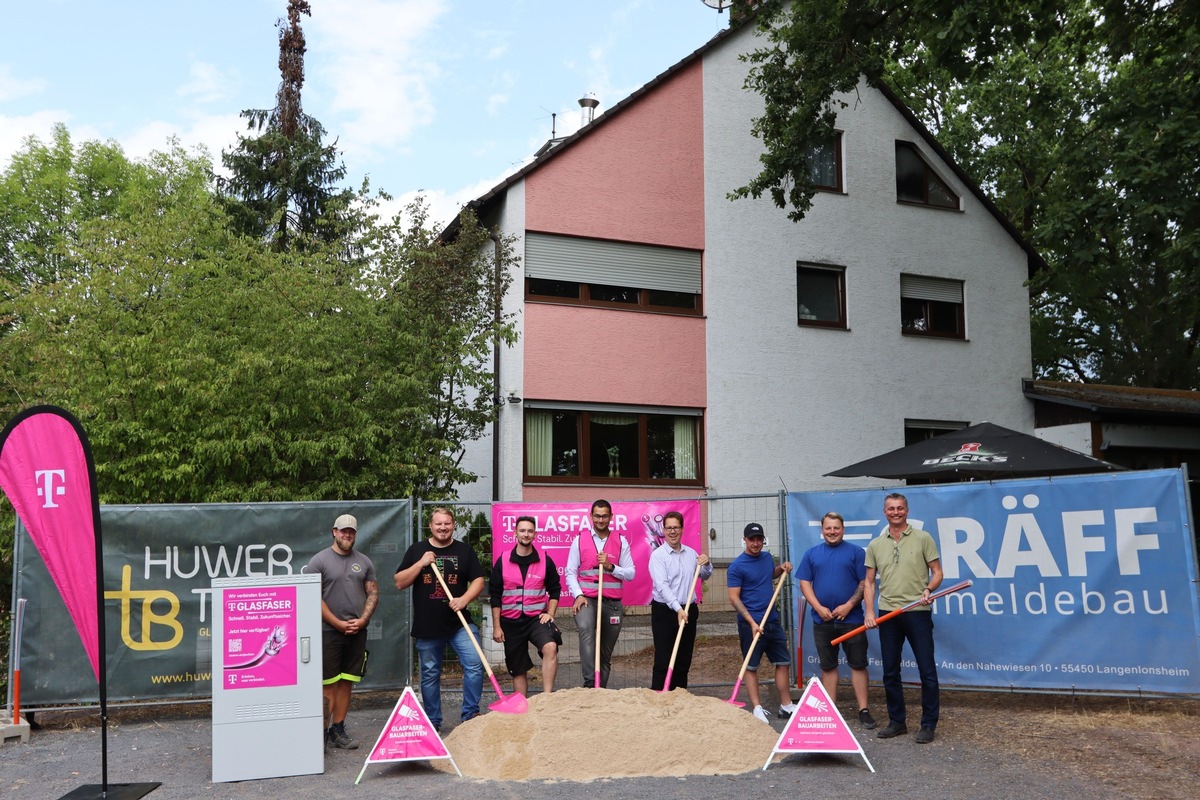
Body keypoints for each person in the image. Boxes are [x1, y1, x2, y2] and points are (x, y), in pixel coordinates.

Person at [394, 507, 486, 731]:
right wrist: (420, 563)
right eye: (438, 524)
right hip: (428, 625)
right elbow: (399, 581)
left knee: (475, 664)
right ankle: (433, 720)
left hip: (459, 623)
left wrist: (464, 599)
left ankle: (470, 714)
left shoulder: (464, 550)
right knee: (430, 674)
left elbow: (478, 580)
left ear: (453, 525)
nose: (443, 527)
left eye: (447, 523)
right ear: (430, 526)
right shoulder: (417, 550)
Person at [864, 492, 944, 743]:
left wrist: (929, 589)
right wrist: (869, 611)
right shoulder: (876, 544)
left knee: (927, 670)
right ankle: (897, 722)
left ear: (906, 511)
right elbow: (868, 582)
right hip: (888, 613)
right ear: (884, 512)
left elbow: (938, 572)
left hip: (917, 611)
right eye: (891, 508)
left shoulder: (923, 538)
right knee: (890, 671)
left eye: (900, 508)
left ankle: (928, 724)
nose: (895, 512)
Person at [796, 511, 877, 729]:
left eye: (836, 528)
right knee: (828, 666)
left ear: (843, 529)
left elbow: (864, 583)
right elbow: (804, 583)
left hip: (852, 620)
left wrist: (849, 605)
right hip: (822, 621)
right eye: (828, 528)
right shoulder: (812, 554)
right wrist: (818, 607)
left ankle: (863, 710)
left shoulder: (856, 553)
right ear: (822, 530)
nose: (832, 532)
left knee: (858, 664)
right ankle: (830, 711)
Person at [305, 513, 378, 750]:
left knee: (347, 682)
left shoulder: (365, 562)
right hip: (328, 632)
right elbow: (312, 597)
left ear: (355, 534)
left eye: (352, 531)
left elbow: (373, 593)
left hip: (357, 632)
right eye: (343, 530)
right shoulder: (319, 561)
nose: (347, 534)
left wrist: (363, 620)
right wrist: (337, 623)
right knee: (327, 684)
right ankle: (320, 733)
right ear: (334, 532)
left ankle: (338, 730)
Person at [727, 522, 797, 723]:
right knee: (751, 666)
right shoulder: (736, 566)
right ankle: (757, 707)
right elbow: (734, 598)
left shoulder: (767, 558)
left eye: (759, 539)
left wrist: (781, 568)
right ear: (745, 540)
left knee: (783, 662)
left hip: (772, 621)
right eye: (752, 539)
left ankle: (786, 706)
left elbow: (769, 574)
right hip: (750, 624)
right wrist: (750, 621)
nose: (756, 543)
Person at [565, 499, 635, 688]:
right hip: (587, 600)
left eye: (605, 516)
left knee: (605, 652)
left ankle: (600, 689)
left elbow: (630, 573)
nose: (601, 520)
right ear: (591, 516)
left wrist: (611, 567)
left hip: (612, 604)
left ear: (611, 517)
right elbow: (570, 572)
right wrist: (578, 594)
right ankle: (590, 683)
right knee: (586, 632)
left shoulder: (620, 541)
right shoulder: (580, 539)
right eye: (597, 516)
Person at [489, 515, 562, 696]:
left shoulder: (545, 560)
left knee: (550, 647)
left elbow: (555, 589)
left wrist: (550, 613)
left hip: (536, 619)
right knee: (518, 668)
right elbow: (495, 596)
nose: (526, 534)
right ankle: (522, 708)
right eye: (522, 530)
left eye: (530, 531)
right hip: (510, 621)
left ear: (535, 534)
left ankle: (546, 698)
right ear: (515, 533)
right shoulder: (503, 560)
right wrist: (497, 627)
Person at [648, 510, 712, 691]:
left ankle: (680, 696)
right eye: (669, 528)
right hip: (666, 611)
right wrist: (677, 609)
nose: (672, 531)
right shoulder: (658, 556)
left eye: (676, 527)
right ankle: (660, 697)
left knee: (684, 658)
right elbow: (662, 587)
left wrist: (706, 564)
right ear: (664, 530)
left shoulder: (691, 554)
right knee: (664, 658)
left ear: (682, 529)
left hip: (689, 609)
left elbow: (705, 575)